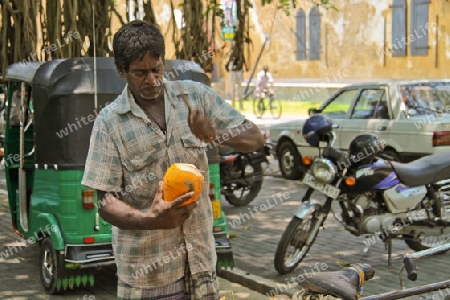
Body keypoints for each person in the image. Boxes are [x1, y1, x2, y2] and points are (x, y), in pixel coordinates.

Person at [81, 20, 264, 300]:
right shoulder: (109, 123)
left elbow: (255, 137)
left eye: (157, 69)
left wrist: (215, 134)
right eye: (140, 73)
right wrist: (149, 219)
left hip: (200, 264)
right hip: (148, 274)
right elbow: (104, 201)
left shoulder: (195, 97)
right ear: (121, 71)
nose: (152, 80)